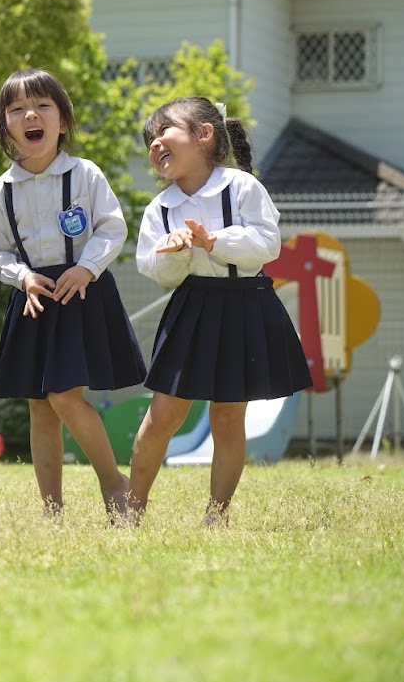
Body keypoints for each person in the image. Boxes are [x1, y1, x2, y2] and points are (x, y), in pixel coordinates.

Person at [129, 96, 310, 524]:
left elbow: (267, 245)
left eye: (163, 132)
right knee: (163, 417)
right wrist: (174, 253)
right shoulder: (161, 208)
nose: (155, 145)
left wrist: (213, 241)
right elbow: (156, 270)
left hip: (245, 305)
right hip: (192, 309)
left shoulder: (243, 187)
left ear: (203, 135)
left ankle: (217, 516)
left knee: (228, 417)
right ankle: (129, 510)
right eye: (150, 140)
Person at [0, 69, 145, 519]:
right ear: (5, 127)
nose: (30, 115)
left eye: (42, 106)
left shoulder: (85, 175)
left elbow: (112, 227)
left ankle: (115, 484)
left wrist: (87, 267)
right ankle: (51, 510)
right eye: (16, 109)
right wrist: (22, 277)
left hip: (81, 294)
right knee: (40, 406)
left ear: (63, 122)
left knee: (65, 397)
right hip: (35, 300)